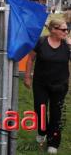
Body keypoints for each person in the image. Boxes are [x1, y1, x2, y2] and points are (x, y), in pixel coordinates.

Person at [24, 19, 70, 154]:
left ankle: (53, 142)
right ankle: (42, 131)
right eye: (63, 29)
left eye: (67, 29)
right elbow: (31, 59)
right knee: (40, 110)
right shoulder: (41, 42)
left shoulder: (67, 45)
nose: (66, 32)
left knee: (57, 114)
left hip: (60, 85)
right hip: (41, 84)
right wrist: (27, 76)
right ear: (53, 30)